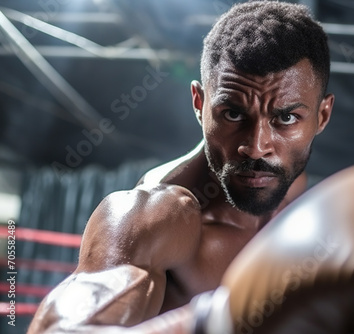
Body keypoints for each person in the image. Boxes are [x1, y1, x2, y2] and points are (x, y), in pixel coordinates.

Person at [28, 1, 334, 332]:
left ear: (322, 116)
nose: (256, 147)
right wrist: (208, 319)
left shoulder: (298, 193)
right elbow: (62, 330)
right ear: (200, 104)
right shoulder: (154, 216)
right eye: (233, 114)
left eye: (286, 118)